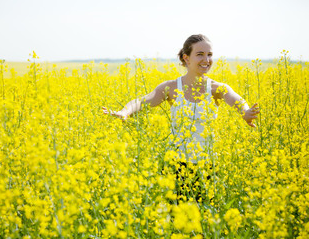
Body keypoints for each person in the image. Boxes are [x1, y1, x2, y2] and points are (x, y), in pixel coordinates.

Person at [102, 34, 260, 201]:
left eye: (209, 54)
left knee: (204, 220)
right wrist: (125, 112)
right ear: (186, 58)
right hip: (175, 165)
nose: (206, 59)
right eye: (200, 54)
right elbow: (144, 101)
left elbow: (237, 100)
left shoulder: (216, 88)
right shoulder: (171, 87)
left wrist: (246, 112)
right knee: (174, 219)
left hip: (206, 165)